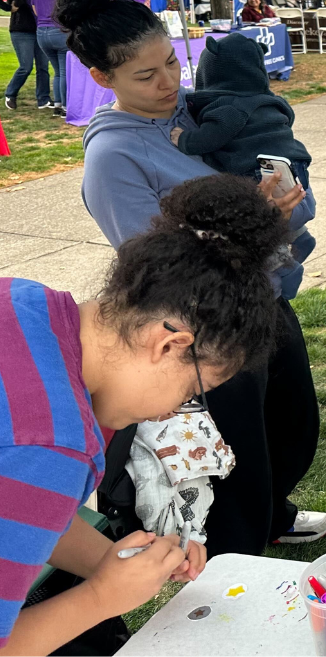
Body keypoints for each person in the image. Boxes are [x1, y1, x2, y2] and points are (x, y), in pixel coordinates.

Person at [59, 0, 326, 557]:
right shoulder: (114, 155)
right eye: (146, 76)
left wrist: (283, 199)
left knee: (292, 428)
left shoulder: (200, 110)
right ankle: (236, 567)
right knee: (236, 463)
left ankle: (271, 516)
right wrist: (257, 220)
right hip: (201, 333)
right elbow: (161, 268)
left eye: (171, 64)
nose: (167, 85)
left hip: (263, 299)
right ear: (102, 79)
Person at [0, 174, 290, 656]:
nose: (174, 409)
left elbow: (17, 506)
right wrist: (100, 597)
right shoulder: (54, 443)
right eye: (193, 391)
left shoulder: (23, 301)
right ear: (169, 344)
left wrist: (112, 562)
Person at [170, 33, 314, 191]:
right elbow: (289, 118)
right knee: (293, 203)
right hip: (297, 161)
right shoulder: (272, 100)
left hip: (258, 169)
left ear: (209, 72)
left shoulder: (230, 106)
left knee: (258, 208)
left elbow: (213, 135)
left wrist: (186, 139)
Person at [1, 0, 52, 111]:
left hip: (40, 30)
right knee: (26, 66)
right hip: (21, 31)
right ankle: (10, 94)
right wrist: (7, 8)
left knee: (43, 66)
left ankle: (43, 99)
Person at [33, 0, 69, 117]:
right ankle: (66, 106)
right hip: (59, 32)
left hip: (41, 32)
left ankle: (57, 104)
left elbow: (35, 11)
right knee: (64, 72)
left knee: (56, 72)